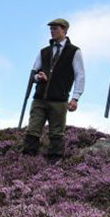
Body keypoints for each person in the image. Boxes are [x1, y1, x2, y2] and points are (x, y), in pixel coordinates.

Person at [20, 19, 85, 162]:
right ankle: (27, 161)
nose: (52, 31)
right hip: (39, 99)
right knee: (32, 131)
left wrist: (75, 97)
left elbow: (80, 75)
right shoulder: (44, 52)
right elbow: (33, 73)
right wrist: (38, 77)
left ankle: (54, 163)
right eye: (51, 29)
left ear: (65, 30)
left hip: (59, 100)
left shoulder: (74, 51)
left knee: (57, 133)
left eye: (55, 28)